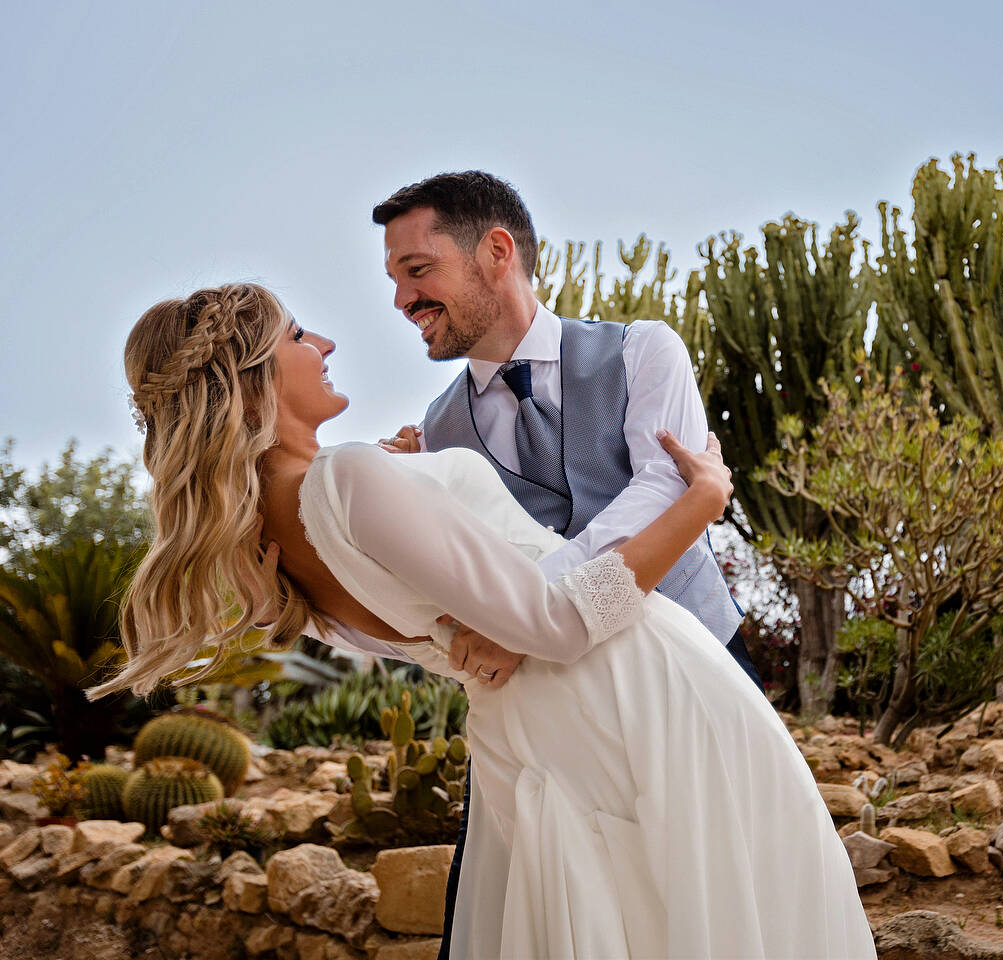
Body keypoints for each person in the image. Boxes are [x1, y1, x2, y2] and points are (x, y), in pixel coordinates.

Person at [90, 283, 875, 959]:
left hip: (525, 734)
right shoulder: (349, 478)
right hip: (628, 692)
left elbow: (427, 632)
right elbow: (558, 625)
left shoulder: (264, 546)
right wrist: (704, 499)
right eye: (297, 334)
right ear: (251, 379)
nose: (323, 342)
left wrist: (418, 481)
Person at [359, 170, 763, 952]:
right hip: (549, 708)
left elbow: (662, 491)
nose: (402, 302)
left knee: (717, 899)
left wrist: (527, 615)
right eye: (395, 281)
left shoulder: (645, 351)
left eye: (417, 271)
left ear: (497, 252)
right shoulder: (435, 437)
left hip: (696, 670)